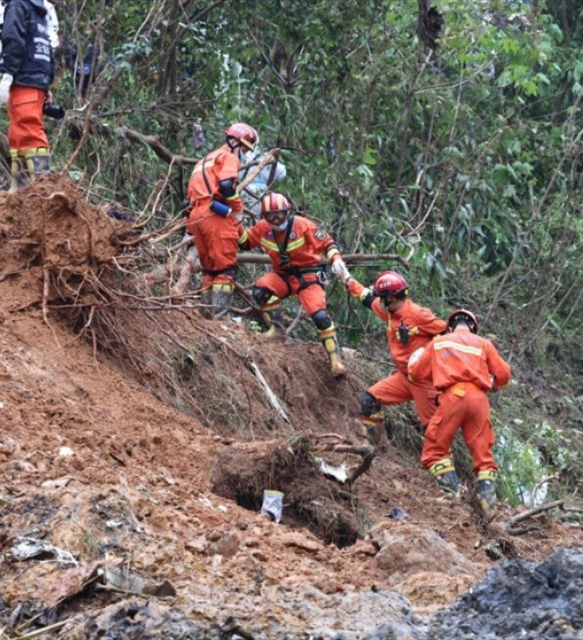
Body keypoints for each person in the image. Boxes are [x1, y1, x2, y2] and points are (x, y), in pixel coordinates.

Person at [408, 308, 511, 518]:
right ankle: (487, 502)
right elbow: (504, 375)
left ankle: (450, 494)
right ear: (472, 327)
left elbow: (417, 373)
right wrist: (493, 383)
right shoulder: (484, 344)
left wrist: (415, 360)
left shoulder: (439, 342)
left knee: (435, 449)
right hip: (479, 401)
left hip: (453, 396)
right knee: (483, 454)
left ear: (451, 326)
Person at [237, 192, 351, 377]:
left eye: (279, 214)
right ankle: (277, 331)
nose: (275, 219)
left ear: (287, 212)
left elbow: (327, 241)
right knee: (260, 290)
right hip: (283, 277)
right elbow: (245, 242)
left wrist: (336, 259)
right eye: (270, 216)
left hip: (309, 276)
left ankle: (335, 360)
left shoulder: (303, 225)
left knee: (320, 316)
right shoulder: (263, 229)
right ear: (263, 217)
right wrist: (234, 221)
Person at [344, 271, 446, 444]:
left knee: (434, 433)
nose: (380, 301)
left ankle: (442, 469)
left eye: (383, 298)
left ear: (391, 298)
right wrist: (346, 279)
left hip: (425, 382)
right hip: (404, 378)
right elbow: (367, 299)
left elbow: (449, 333)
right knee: (369, 401)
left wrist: (428, 351)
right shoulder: (390, 312)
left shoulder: (418, 315)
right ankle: (371, 446)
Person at [185, 122, 254, 318]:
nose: (243, 153)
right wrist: (238, 208)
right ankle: (220, 320)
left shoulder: (204, 160)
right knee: (226, 269)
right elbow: (225, 185)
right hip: (215, 215)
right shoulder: (229, 157)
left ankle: (205, 319)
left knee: (210, 270)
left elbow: (186, 199)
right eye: (243, 148)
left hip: (195, 217)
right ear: (235, 142)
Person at [0, 0, 55, 191]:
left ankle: (42, 188)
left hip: (24, 78)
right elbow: (46, 47)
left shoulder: (18, 5)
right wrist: (46, 84)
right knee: (20, 135)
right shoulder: (39, 10)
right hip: (36, 80)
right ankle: (20, 190)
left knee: (28, 133)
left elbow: (13, 39)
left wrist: (8, 73)